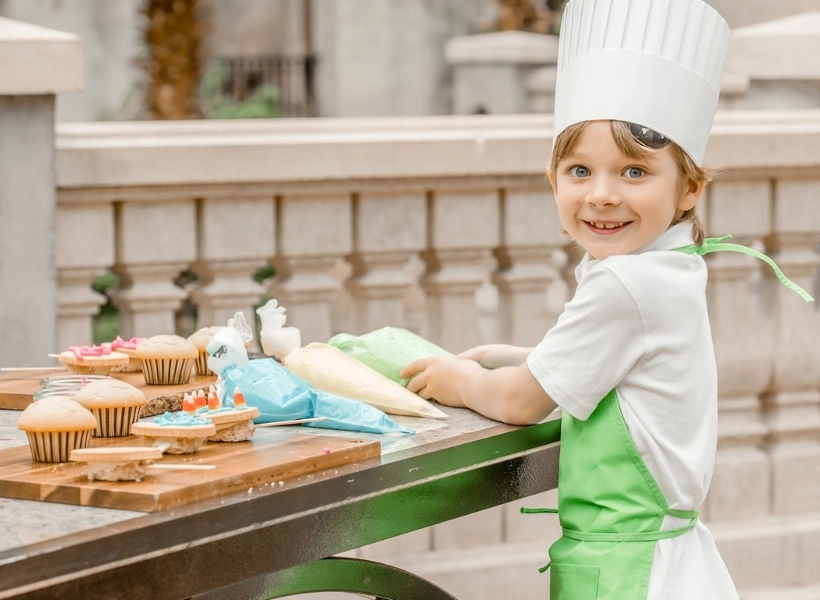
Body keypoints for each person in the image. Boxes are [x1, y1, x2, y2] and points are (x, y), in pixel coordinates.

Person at [400, 0, 813, 598]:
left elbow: (519, 404)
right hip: (668, 559)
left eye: (635, 173)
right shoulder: (668, 267)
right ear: (553, 179)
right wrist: (523, 355)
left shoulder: (627, 283)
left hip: (630, 573)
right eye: (579, 171)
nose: (601, 195)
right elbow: (623, 369)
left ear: (690, 186)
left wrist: (458, 381)